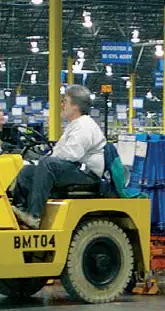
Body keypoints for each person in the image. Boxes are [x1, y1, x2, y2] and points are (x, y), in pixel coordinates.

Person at [12, 85, 106, 230]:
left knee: (47, 165)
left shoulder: (85, 126)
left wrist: (45, 161)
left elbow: (71, 154)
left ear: (75, 106)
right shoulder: (74, 125)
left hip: (86, 174)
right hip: (74, 168)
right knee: (27, 171)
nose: (62, 105)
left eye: (65, 101)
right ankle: (21, 211)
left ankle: (34, 216)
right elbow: (59, 152)